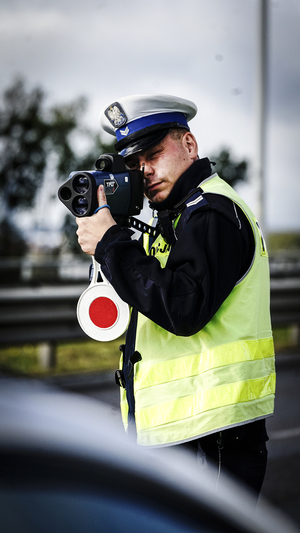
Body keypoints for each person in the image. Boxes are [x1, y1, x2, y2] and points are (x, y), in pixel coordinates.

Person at [76, 94, 276, 496]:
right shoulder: (179, 216)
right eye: (135, 164)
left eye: (153, 154)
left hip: (213, 434)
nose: (145, 170)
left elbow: (183, 307)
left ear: (189, 144)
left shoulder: (211, 212)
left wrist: (112, 243)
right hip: (186, 430)